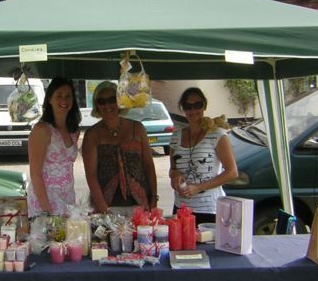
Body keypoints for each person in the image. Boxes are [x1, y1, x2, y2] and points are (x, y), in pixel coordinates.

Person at [82, 81, 157, 214]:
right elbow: (91, 175)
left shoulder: (137, 128)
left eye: (112, 100)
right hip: (106, 204)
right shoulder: (92, 135)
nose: (107, 105)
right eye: (102, 101)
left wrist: (154, 197)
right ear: (96, 105)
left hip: (140, 202)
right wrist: (102, 207)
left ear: (119, 101)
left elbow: (148, 166)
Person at [169, 87, 238, 224]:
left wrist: (199, 187)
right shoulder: (176, 136)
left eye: (197, 105)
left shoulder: (217, 135)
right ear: (183, 109)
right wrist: (175, 176)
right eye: (188, 106)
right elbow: (173, 169)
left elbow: (232, 172)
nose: (193, 110)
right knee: (183, 246)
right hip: (181, 208)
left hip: (208, 209)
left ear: (204, 106)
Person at [26, 77, 82, 217]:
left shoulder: (74, 131)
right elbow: (35, 175)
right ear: (50, 99)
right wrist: (47, 211)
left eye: (68, 96)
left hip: (67, 202)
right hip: (45, 204)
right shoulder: (42, 130)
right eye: (59, 96)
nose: (64, 101)